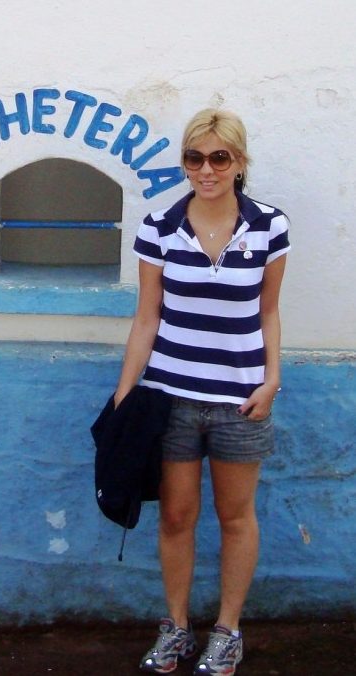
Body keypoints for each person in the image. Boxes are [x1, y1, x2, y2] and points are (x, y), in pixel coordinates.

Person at [114, 109, 290, 675]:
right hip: (170, 398)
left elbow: (268, 311)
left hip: (242, 401)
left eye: (220, 157)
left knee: (236, 517)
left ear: (240, 162)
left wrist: (272, 379)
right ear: (184, 162)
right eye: (195, 158)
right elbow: (147, 318)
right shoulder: (159, 225)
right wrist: (126, 395)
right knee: (175, 517)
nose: (207, 169)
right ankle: (176, 628)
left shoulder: (269, 226)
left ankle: (228, 631)